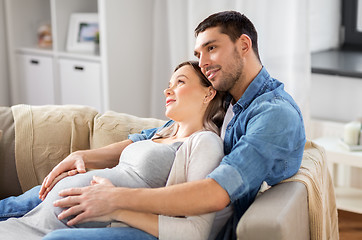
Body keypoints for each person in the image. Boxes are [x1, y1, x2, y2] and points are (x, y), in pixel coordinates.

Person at [0, 11, 306, 239]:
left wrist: (115, 200)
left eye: (212, 48)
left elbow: (216, 193)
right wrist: (84, 155)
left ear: (244, 44)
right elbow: (157, 136)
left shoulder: (273, 114)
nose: (204, 62)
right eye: (199, 54)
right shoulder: (227, 100)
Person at [0, 61, 231, 240]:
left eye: (180, 82)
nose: (167, 91)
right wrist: (79, 161)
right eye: (169, 85)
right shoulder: (161, 133)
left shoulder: (205, 142)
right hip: (45, 214)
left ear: (208, 93)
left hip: (85, 221)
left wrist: (114, 208)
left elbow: (195, 228)